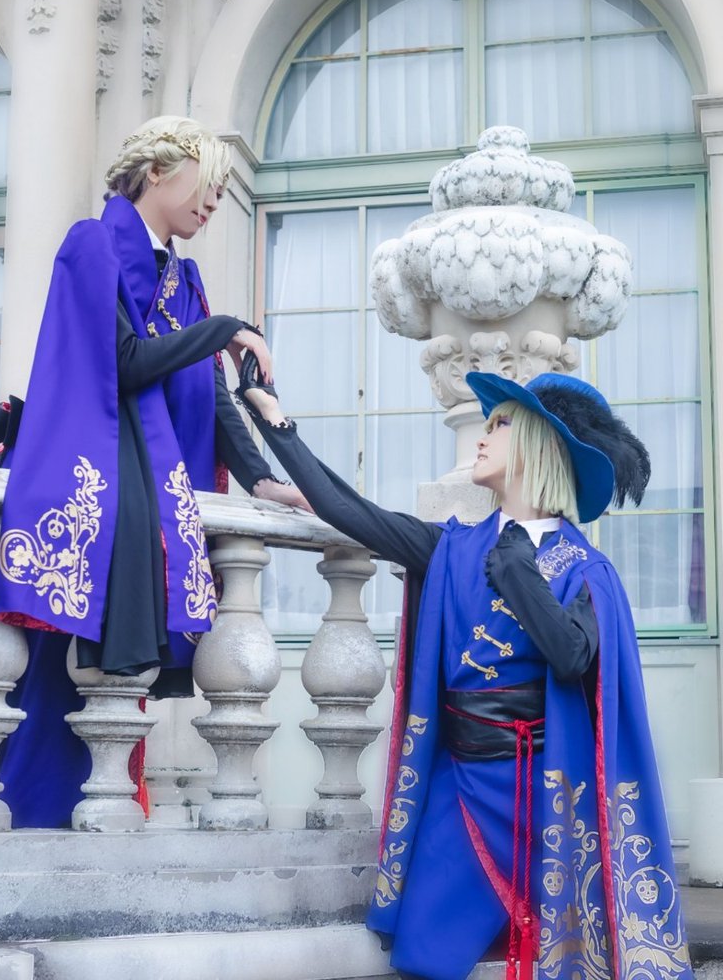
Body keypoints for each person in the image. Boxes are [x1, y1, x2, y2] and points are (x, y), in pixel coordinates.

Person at [234, 356, 693, 980]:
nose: (483, 435)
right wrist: (275, 421)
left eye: (500, 424)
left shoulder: (588, 571)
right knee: (423, 954)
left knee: (564, 960)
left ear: (538, 446)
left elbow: (571, 657)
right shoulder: (448, 546)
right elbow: (348, 509)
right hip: (464, 785)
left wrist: (518, 570)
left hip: (549, 792)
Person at [0, 116, 309, 829]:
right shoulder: (92, 243)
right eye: (207, 183)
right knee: (39, 669)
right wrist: (223, 329)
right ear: (158, 171)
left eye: (223, 189)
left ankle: (76, 816)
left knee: (99, 680)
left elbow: (211, 395)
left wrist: (261, 478)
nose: (214, 200)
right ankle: (14, 818)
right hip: (86, 480)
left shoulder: (183, 277)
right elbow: (124, 363)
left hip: (140, 492)